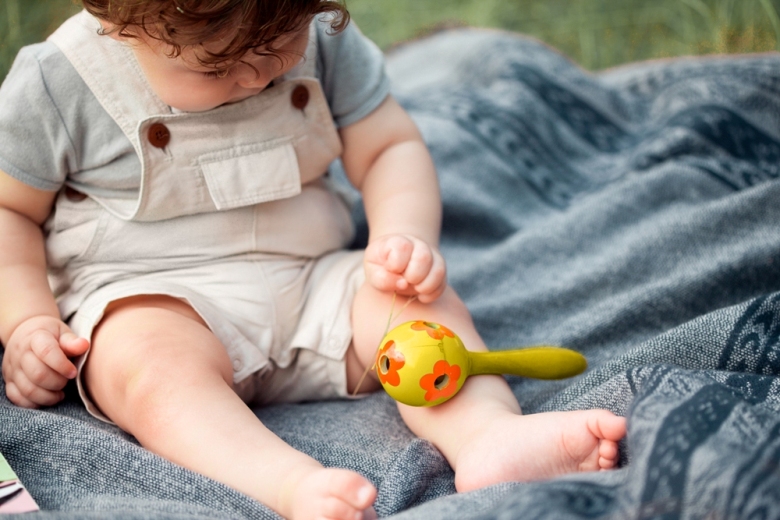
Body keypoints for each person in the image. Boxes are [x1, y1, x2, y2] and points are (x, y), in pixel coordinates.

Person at [0, 1, 627, 519]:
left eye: (280, 50)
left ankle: (487, 437)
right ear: (119, 19)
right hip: (153, 296)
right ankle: (289, 485)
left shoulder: (321, 40)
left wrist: (403, 241)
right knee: (146, 368)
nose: (256, 77)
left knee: (414, 312)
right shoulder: (59, 85)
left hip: (313, 280)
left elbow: (388, 146)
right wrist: (27, 322)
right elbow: (10, 213)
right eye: (218, 70)